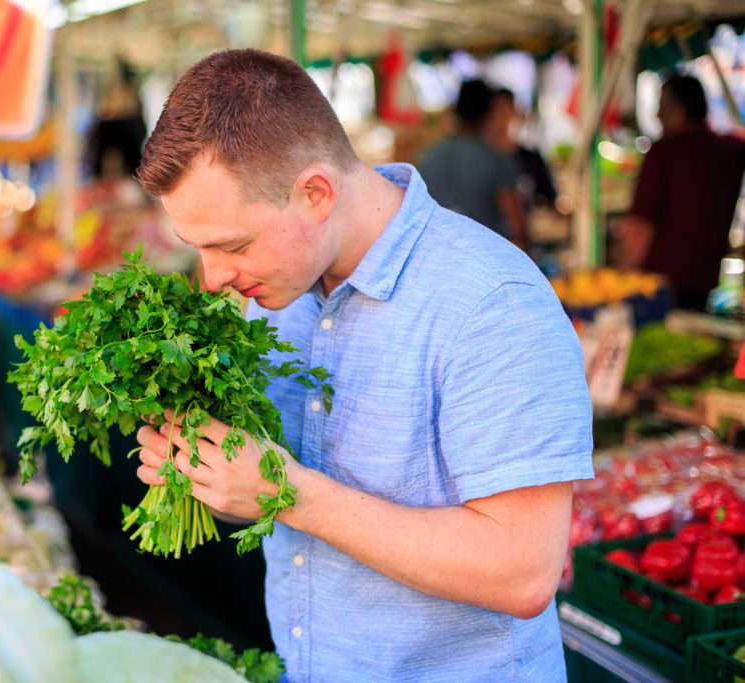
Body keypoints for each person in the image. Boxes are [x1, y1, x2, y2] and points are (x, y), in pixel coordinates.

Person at [132, 49, 593, 681]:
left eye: (233, 245)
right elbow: (278, 503)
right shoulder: (276, 293)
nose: (213, 280)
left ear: (316, 193)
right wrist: (216, 478)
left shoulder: (492, 303)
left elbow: (522, 571)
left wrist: (281, 490)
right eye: (199, 250)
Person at [617, 74, 745, 311]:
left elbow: (640, 229)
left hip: (659, 287)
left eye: (661, 106)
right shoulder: (729, 150)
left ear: (678, 110)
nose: (657, 115)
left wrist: (622, 283)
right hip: (704, 283)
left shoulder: (664, 152)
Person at [418, 79, 529, 251]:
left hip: (440, 259)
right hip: (486, 261)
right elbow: (519, 228)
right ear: (488, 113)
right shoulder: (495, 160)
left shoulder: (429, 158)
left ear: (456, 110)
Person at [485, 87, 559, 216]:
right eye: (492, 112)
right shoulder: (478, 160)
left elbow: (551, 203)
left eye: (503, 111)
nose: (497, 119)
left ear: (514, 112)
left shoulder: (531, 159)